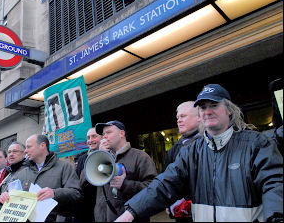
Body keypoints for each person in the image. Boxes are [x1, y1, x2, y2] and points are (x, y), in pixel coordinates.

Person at [115, 84, 283, 222]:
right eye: (202, 107)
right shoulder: (191, 152)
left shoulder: (257, 144)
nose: (207, 111)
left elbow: (274, 183)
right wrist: (130, 213)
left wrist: (276, 217)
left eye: (214, 105)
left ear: (229, 110)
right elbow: (164, 184)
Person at [81, 120, 157, 222]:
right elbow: (83, 182)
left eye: (108, 132)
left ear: (121, 133)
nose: (104, 137)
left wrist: (125, 185)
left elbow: (154, 189)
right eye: (103, 134)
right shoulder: (100, 157)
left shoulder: (140, 157)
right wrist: (99, 156)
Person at [0, 134, 82, 221]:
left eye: (29, 147)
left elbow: (76, 194)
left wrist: (54, 193)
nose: (25, 151)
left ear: (42, 145)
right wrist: (4, 197)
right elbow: (12, 198)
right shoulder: (22, 172)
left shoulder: (64, 167)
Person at [163, 101, 201, 222]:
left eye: (183, 116)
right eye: (178, 117)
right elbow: (167, 181)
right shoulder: (173, 150)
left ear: (199, 117)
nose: (179, 120)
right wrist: (168, 202)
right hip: (183, 216)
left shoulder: (212, 142)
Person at [75, 127, 102, 222]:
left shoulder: (111, 154)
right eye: (88, 138)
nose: (90, 140)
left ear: (102, 138)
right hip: (87, 207)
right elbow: (77, 182)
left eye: (94, 136)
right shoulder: (82, 159)